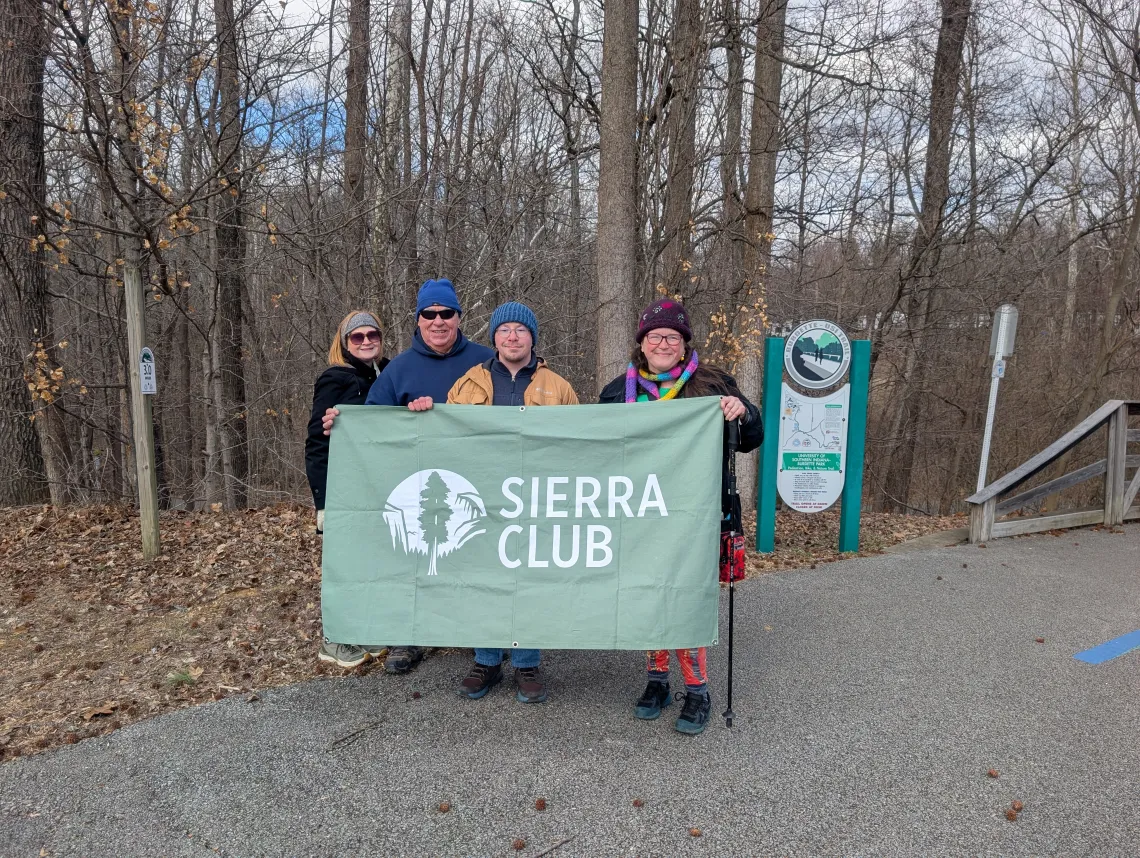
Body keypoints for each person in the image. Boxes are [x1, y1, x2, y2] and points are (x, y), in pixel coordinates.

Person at [598, 298, 762, 735]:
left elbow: (753, 435)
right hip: (639, 513)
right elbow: (595, 447)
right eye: (656, 336)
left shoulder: (713, 384)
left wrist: (741, 412)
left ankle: (697, 690)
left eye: (673, 336)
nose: (664, 343)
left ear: (685, 343)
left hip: (698, 513)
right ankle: (657, 682)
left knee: (688, 596)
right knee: (647, 594)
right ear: (643, 343)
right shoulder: (618, 391)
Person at [321, 279, 494, 674]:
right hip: (417, 484)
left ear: (458, 317)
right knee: (412, 557)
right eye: (429, 314)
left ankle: (476, 630)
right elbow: (371, 424)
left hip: (478, 479)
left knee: (474, 554)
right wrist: (340, 423)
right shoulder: (399, 369)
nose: (438, 321)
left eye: (446, 313)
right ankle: (409, 635)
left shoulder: (487, 359)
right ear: (418, 320)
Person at [435, 301, 579, 703]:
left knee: (529, 579)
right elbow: (446, 439)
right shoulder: (467, 384)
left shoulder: (559, 387)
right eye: (504, 330)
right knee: (485, 579)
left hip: (535, 500)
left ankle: (527, 662)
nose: (512, 337)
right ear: (494, 337)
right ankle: (487, 660)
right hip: (481, 499)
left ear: (532, 337)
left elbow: (580, 446)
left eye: (520, 329)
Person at [305, 310, 389, 669]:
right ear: (344, 342)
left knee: (370, 560)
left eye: (373, 335)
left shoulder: (387, 373)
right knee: (343, 563)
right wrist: (323, 501)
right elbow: (317, 442)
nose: (366, 341)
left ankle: (363, 626)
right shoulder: (334, 378)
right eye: (358, 337)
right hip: (343, 487)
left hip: (377, 485)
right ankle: (334, 638)